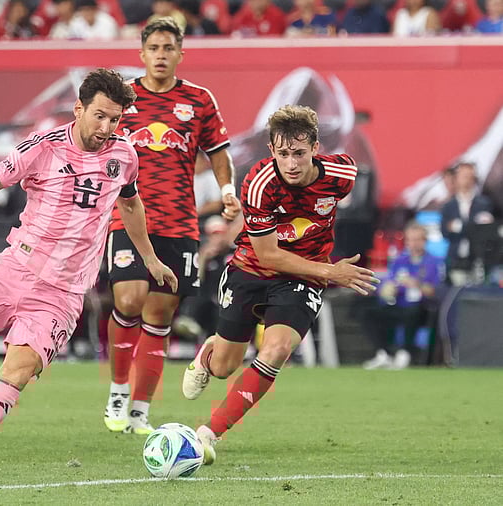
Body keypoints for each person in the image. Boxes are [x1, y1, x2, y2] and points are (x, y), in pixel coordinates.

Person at [0, 68, 178, 471]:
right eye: (100, 116)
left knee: (18, 371)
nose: (106, 127)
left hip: (62, 294)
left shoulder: (124, 155)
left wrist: (150, 258)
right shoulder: (44, 147)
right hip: (14, 268)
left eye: (115, 119)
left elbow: (130, 205)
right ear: (79, 109)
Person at [180, 104, 379, 461]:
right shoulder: (259, 183)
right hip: (251, 269)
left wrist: (321, 269)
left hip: (302, 277)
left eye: (299, 153)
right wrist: (332, 272)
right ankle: (209, 354)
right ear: (271, 150)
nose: (291, 163)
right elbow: (269, 255)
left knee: (276, 350)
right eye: (283, 153)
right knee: (224, 368)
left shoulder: (342, 174)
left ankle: (208, 434)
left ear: (315, 148)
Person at [103, 17, 239, 435]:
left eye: (168, 48)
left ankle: (140, 410)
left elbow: (218, 151)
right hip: (128, 215)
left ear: (180, 53)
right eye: (154, 48)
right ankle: (118, 388)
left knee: (160, 313)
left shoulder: (198, 99)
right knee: (129, 299)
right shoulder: (122, 98)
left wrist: (227, 190)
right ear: (141, 54)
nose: (161, 55)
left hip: (179, 221)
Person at [362, 222, 442, 370]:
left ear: (424, 241)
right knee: (370, 313)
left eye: (417, 240)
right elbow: (389, 282)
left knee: (412, 312)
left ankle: (405, 352)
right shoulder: (400, 260)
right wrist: (387, 288)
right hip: (399, 302)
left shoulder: (433, 262)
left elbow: (434, 291)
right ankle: (383, 353)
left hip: (422, 306)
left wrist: (416, 284)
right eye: (410, 240)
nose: (413, 244)